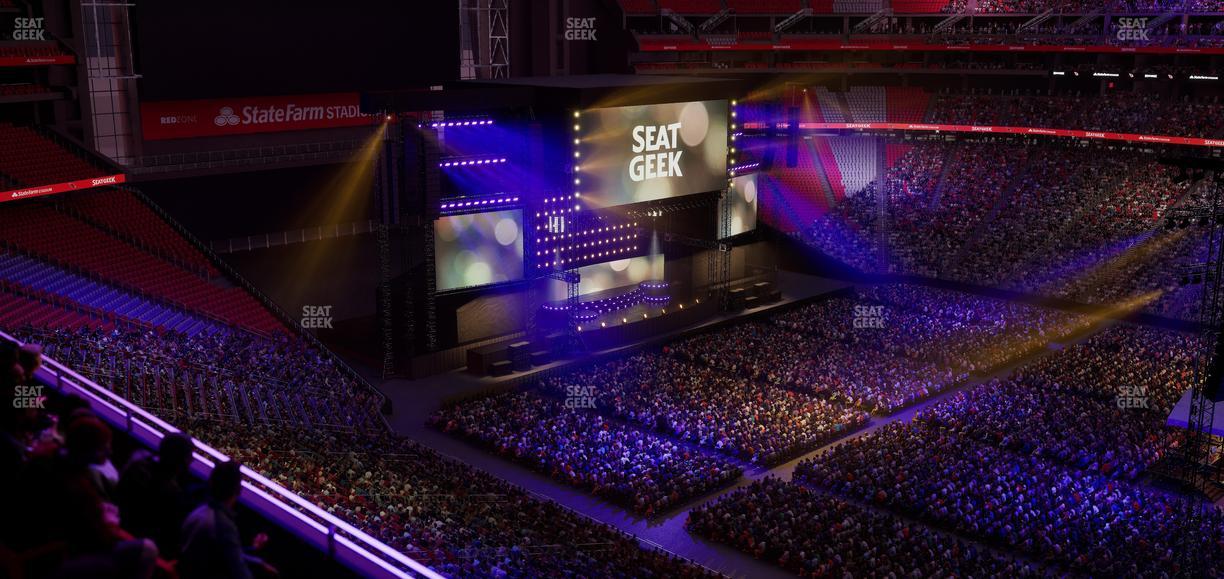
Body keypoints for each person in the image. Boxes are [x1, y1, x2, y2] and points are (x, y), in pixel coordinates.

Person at [179, 460, 278, 579]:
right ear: (238, 490)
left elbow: (221, 552)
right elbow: (240, 572)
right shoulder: (223, 525)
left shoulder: (200, 508)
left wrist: (255, 552)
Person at [117, 432, 199, 558]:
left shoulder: (137, 465)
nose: (192, 460)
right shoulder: (172, 495)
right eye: (189, 456)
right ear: (181, 461)